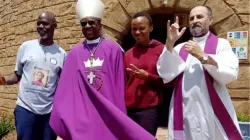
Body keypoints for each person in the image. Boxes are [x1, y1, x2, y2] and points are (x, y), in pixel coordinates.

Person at [49, 0, 155, 140]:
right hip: (82, 116)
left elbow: (119, 86)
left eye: (92, 22)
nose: (87, 26)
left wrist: (119, 115)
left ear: (100, 24)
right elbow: (66, 89)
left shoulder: (114, 50)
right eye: (83, 23)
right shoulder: (74, 54)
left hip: (107, 114)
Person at [157, 6, 242, 140]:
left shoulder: (221, 44)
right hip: (185, 109)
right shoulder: (180, 48)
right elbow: (165, 73)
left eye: (199, 17)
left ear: (210, 20)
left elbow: (230, 73)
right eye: (191, 18)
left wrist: (203, 57)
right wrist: (170, 42)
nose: (195, 21)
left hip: (212, 110)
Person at [0, 11, 66, 140]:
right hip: (25, 109)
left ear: (54, 26)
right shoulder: (26, 47)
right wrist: (2, 80)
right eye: (39, 23)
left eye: (45, 23)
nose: (41, 26)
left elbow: (64, 84)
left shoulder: (61, 54)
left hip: (48, 112)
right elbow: (16, 76)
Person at [125, 11, 167, 136]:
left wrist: (148, 77)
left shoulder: (161, 50)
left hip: (148, 109)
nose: (137, 32)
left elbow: (168, 82)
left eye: (142, 28)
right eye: (134, 29)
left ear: (151, 27)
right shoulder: (128, 54)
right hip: (129, 108)